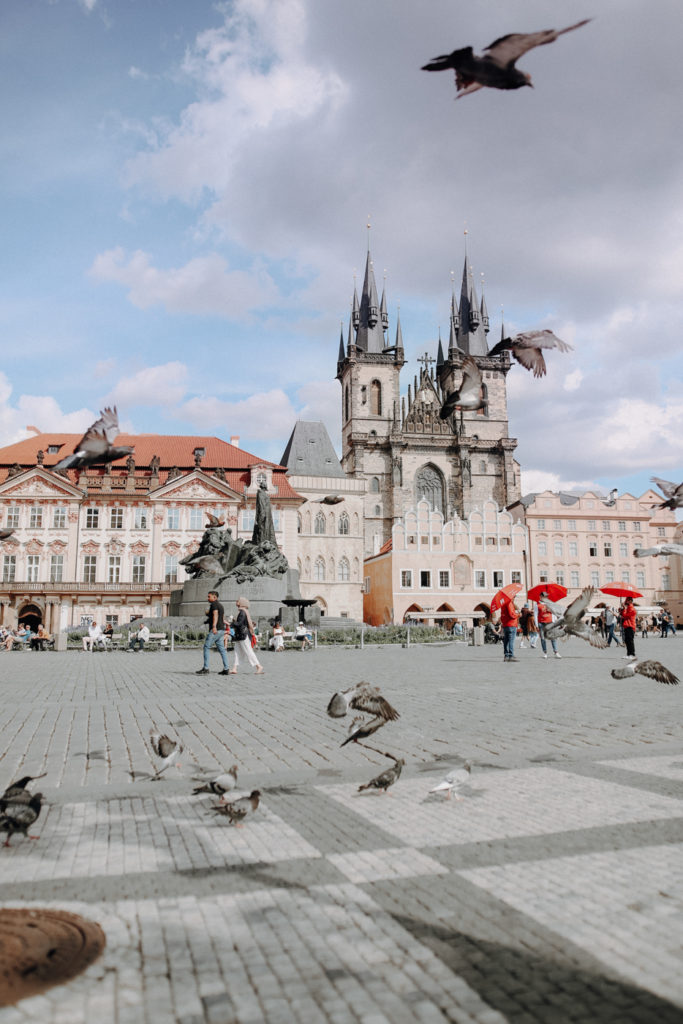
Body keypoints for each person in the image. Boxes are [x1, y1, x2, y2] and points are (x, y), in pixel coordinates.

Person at [196, 591, 230, 675]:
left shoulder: (214, 604)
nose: (207, 598)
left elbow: (216, 615)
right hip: (221, 629)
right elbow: (221, 618)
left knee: (206, 647)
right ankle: (226, 668)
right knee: (222, 649)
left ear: (214, 597)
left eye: (209, 596)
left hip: (216, 630)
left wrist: (214, 626)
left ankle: (206, 668)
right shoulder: (220, 605)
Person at [229, 596, 264, 674]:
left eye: (238, 601)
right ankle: (234, 668)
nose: (236, 601)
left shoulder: (242, 612)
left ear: (241, 603)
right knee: (237, 651)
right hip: (240, 635)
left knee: (248, 651)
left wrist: (230, 623)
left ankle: (259, 666)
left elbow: (239, 623)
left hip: (243, 635)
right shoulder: (243, 611)